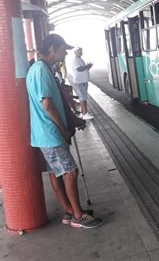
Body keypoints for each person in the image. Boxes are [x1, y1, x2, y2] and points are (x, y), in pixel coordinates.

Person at [26, 33, 103, 229]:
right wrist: (63, 129)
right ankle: (78, 216)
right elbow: (48, 104)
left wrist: (72, 120)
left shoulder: (41, 68)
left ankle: (69, 211)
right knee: (71, 171)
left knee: (57, 171)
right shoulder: (42, 70)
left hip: (45, 133)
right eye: (63, 49)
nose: (65, 54)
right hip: (51, 133)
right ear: (52, 49)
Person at [72, 47, 94, 120]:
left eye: (81, 51)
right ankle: (85, 113)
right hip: (80, 82)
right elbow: (79, 69)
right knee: (82, 98)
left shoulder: (80, 59)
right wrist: (86, 66)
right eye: (79, 51)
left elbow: (84, 68)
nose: (81, 52)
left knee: (83, 97)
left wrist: (88, 67)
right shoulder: (75, 60)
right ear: (75, 52)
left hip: (83, 81)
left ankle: (83, 112)